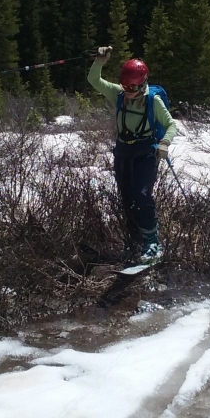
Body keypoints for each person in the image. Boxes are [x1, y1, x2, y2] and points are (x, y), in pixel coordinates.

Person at [88, 46, 177, 263]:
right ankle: (134, 240)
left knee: (141, 195)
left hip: (145, 152)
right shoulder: (118, 94)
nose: (128, 90)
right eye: (125, 85)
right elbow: (94, 80)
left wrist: (164, 143)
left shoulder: (152, 101)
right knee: (127, 199)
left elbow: (171, 124)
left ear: (143, 83)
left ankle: (152, 242)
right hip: (123, 153)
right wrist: (100, 61)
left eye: (133, 86)